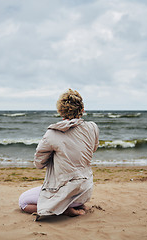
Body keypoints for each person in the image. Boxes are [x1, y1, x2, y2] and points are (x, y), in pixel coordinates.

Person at [18, 89, 99, 217]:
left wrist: (52, 156)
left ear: (60, 112)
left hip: (67, 192)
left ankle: (64, 210)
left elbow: (38, 164)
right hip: (85, 190)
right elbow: (93, 148)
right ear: (82, 110)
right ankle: (77, 205)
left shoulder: (53, 133)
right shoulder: (93, 127)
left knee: (23, 201)